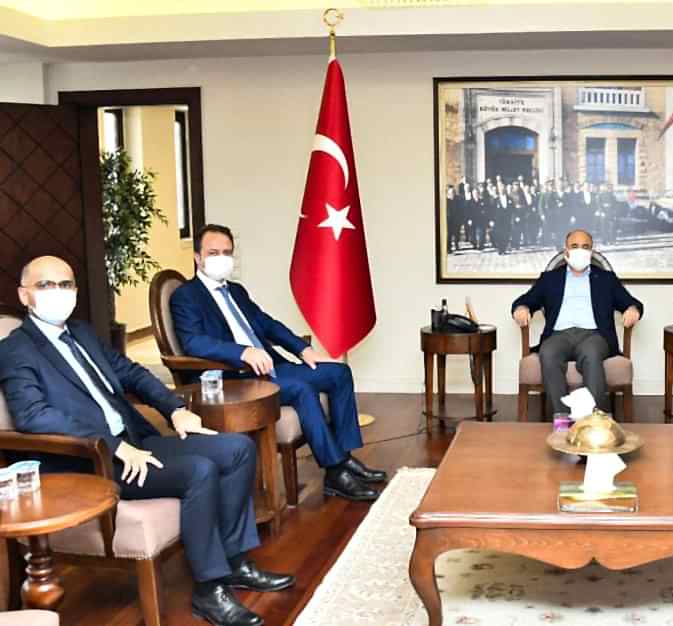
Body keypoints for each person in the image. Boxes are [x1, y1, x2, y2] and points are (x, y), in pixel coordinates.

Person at [0, 256, 294, 626]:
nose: (58, 292)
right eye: (46, 285)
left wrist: (175, 409)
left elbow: (132, 373)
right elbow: (34, 415)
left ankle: (234, 562)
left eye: (66, 284)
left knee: (238, 449)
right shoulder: (15, 349)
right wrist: (114, 445)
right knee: (199, 471)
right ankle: (209, 590)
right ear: (24, 295)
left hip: (136, 441)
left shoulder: (82, 333)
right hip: (93, 461)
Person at [169, 225, 385, 503]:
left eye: (227, 252)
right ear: (198, 257)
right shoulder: (186, 296)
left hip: (269, 367)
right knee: (301, 389)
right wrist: (242, 352)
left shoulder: (236, 291)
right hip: (235, 377)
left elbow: (267, 324)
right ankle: (334, 472)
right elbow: (193, 342)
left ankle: (345, 458)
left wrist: (302, 348)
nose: (221, 258)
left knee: (339, 373)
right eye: (213, 253)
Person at [511, 229, 643, 413]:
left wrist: (632, 310)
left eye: (585, 247)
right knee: (548, 353)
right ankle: (562, 416)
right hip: (558, 335)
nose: (580, 250)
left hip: (594, 336)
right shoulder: (550, 279)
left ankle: (592, 419)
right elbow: (526, 300)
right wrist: (522, 308)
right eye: (574, 246)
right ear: (566, 251)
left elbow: (631, 302)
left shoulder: (606, 279)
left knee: (591, 353)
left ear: (591, 251)